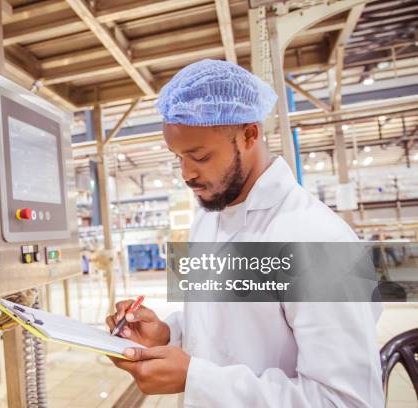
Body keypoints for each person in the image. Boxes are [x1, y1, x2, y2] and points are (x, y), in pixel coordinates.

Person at [105, 59, 384, 407]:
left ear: (250, 134)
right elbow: (217, 329)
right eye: (178, 157)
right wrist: (167, 334)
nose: (186, 174)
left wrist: (197, 379)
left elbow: (347, 401)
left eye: (200, 155)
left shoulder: (317, 240)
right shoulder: (208, 220)